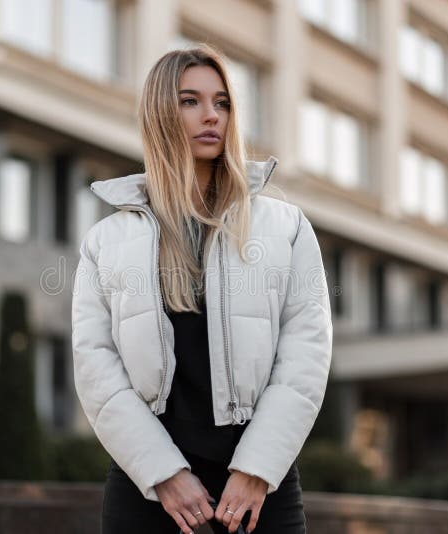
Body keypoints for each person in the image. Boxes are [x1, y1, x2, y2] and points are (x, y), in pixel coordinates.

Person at [72, 44, 333, 534]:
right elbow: (95, 366)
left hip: (261, 489)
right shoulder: (106, 242)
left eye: (223, 102)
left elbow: (306, 355)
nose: (210, 115)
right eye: (190, 101)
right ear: (159, 114)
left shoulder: (287, 227)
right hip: (148, 487)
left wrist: (256, 469)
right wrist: (163, 473)